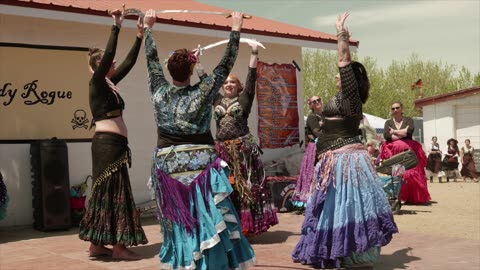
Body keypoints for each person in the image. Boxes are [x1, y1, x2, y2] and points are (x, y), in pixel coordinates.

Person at [143, 9, 256, 269]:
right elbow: (227, 62)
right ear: (193, 69)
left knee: (180, 221)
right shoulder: (204, 90)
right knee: (207, 217)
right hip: (201, 167)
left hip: (168, 167)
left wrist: (148, 28)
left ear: (169, 69)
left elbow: (150, 60)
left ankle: (184, 262)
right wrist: (236, 27)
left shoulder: (159, 90)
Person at [292, 12, 398, 269]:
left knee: (347, 207)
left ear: (352, 78)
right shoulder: (345, 99)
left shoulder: (351, 96)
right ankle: (335, 250)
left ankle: (351, 253)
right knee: (336, 208)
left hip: (346, 160)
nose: (338, 76)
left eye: (343, 74)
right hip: (334, 159)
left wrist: (341, 34)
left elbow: (343, 58)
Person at [79, 7, 148, 260]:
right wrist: (117, 25)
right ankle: (118, 247)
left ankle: (97, 245)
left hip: (114, 145)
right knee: (114, 191)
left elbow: (128, 62)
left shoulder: (109, 84)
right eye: (109, 62)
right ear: (99, 66)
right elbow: (110, 56)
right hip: (107, 145)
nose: (114, 63)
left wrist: (139, 36)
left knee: (108, 191)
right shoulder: (96, 82)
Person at [213, 43, 278, 236]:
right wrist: (197, 64)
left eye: (232, 82)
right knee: (226, 187)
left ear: (239, 86)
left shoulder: (244, 99)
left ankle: (246, 227)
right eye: (225, 83)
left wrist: (254, 51)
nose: (228, 85)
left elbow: (252, 74)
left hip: (242, 152)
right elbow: (205, 84)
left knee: (244, 187)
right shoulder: (217, 101)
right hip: (222, 151)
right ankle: (228, 226)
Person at [380, 101, 431, 204]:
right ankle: (399, 196)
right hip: (394, 152)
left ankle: (415, 197)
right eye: (393, 108)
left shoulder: (409, 120)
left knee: (412, 173)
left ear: (401, 109)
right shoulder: (388, 122)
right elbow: (387, 136)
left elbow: (409, 132)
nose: (395, 110)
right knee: (397, 173)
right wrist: (403, 132)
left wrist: (394, 132)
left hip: (409, 152)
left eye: (397, 108)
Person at [292, 96, 323, 209]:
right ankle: (310, 201)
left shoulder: (326, 116)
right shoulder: (312, 117)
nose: (317, 102)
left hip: (325, 147)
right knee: (313, 173)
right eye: (314, 101)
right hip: (315, 149)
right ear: (311, 105)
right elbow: (317, 132)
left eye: (319, 100)